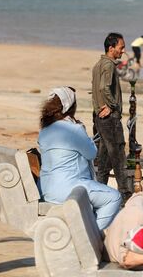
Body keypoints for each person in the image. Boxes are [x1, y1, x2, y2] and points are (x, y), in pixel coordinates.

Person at [38, 86, 121, 230]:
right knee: (114, 198)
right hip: (69, 189)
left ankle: (89, 231)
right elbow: (91, 153)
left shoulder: (45, 131)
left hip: (47, 190)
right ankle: (92, 235)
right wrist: (81, 130)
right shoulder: (74, 129)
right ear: (71, 107)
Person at [92, 32, 132, 203]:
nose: (123, 51)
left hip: (99, 118)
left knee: (104, 158)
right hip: (109, 119)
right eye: (121, 48)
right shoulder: (108, 65)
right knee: (118, 155)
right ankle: (125, 194)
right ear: (111, 48)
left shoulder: (98, 64)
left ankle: (98, 192)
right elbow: (103, 88)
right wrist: (112, 105)